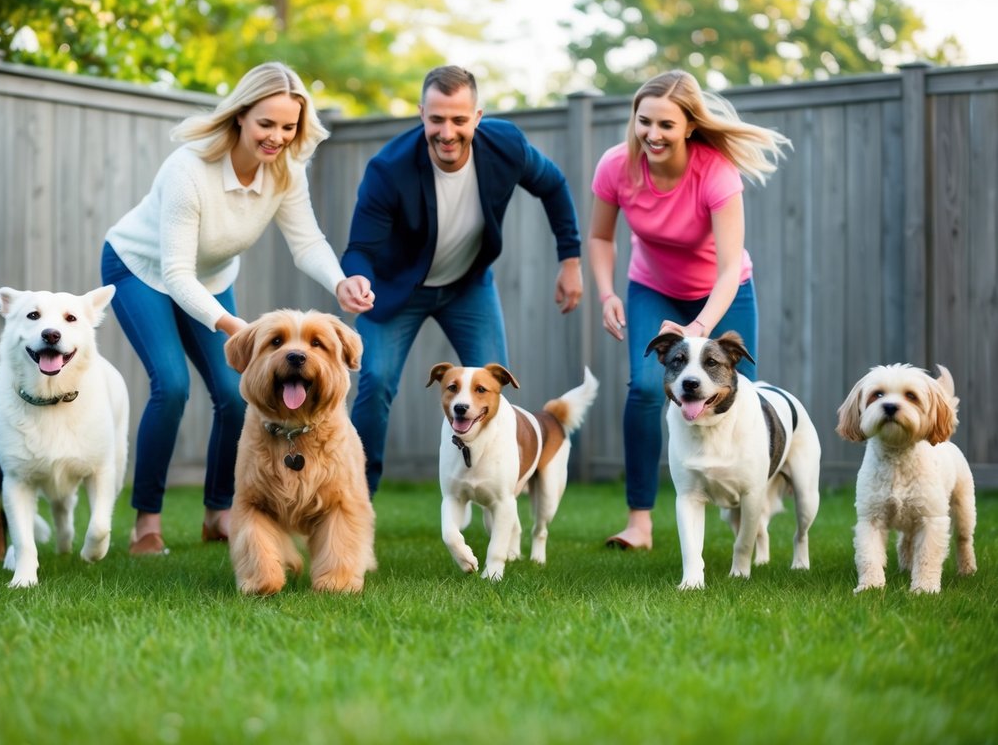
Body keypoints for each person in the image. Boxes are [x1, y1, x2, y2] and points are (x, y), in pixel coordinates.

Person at [101, 62, 374, 554]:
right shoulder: (190, 169)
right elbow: (177, 274)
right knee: (172, 384)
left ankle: (219, 512)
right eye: (266, 124)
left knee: (233, 392)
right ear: (241, 116)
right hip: (142, 270)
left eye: (288, 127)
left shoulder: (286, 171)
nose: (276, 137)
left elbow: (307, 240)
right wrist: (239, 331)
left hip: (211, 278)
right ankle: (147, 522)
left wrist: (340, 282)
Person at [342, 65, 584, 496]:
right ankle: (359, 500)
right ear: (421, 115)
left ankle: (499, 494)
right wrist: (357, 277)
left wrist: (570, 259)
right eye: (436, 119)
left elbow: (553, 185)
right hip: (398, 291)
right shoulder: (388, 170)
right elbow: (360, 246)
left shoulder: (505, 145)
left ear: (477, 116)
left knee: (495, 389)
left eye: (459, 119)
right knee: (374, 381)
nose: (447, 131)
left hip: (468, 286)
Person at [589, 69, 790, 551]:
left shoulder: (716, 172)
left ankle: (748, 512)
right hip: (652, 287)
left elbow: (726, 269)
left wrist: (698, 328)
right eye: (644, 122)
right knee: (642, 388)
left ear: (689, 127)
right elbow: (599, 237)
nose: (652, 135)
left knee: (742, 394)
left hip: (723, 291)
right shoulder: (616, 166)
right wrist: (606, 294)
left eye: (665, 125)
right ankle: (640, 522)